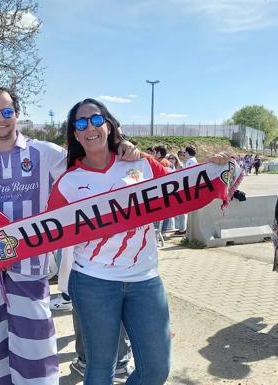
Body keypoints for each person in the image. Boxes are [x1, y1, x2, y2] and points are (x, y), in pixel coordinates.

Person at [48, 98, 229, 385]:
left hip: (145, 280)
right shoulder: (68, 182)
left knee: (156, 369)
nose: (90, 128)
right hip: (93, 281)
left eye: (96, 120)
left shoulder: (141, 163)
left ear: (108, 125)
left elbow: (180, 187)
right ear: (75, 134)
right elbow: (48, 231)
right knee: (100, 369)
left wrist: (211, 169)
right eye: (80, 124)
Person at [0, 88, 140, 385]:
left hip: (30, 269)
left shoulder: (43, 152)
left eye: (7, 112)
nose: (1, 119)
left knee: (34, 352)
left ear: (17, 115)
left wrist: (122, 145)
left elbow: (88, 162)